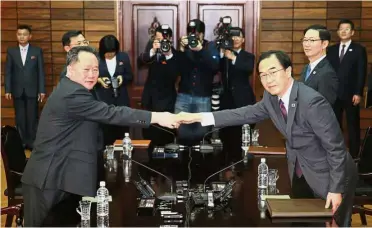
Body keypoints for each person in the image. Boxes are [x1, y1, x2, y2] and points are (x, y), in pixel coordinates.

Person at [177, 50, 357, 227]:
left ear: (287, 71)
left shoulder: (311, 102)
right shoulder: (271, 99)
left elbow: (336, 149)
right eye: (263, 75)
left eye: (273, 72)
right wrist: (200, 117)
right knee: (303, 223)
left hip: (332, 174)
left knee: (333, 224)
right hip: (302, 170)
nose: (268, 80)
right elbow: (244, 114)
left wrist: (336, 189)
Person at [21, 46, 178, 227]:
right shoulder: (72, 94)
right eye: (86, 70)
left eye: (95, 70)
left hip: (61, 174)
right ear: (70, 70)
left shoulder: (74, 88)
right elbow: (112, 113)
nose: (92, 75)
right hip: (47, 179)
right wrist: (158, 117)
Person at [327, 19, 368, 158]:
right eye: (341, 29)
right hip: (334, 94)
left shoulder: (359, 50)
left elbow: (361, 72)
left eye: (347, 29)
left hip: (351, 94)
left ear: (352, 32)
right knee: (334, 126)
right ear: (338, 32)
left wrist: (358, 92)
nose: (343, 31)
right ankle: (337, 154)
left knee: (352, 126)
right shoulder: (330, 50)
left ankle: (355, 155)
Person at [175, 19, 220, 144]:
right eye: (191, 33)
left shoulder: (210, 46)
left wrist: (200, 50)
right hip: (183, 96)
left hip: (203, 97)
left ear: (202, 34)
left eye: (197, 33)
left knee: (202, 133)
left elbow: (215, 66)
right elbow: (177, 69)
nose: (194, 36)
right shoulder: (185, 47)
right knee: (181, 131)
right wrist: (181, 50)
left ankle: (200, 161)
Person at [138, 25, 179, 153]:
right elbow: (140, 62)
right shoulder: (152, 49)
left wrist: (168, 55)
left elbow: (174, 74)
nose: (161, 42)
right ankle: (151, 166)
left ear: (170, 39)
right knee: (150, 136)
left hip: (167, 100)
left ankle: (167, 168)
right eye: (158, 39)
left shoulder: (175, 54)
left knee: (166, 136)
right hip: (150, 99)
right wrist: (152, 51)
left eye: (163, 39)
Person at [5, 24, 46, 149]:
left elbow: (40, 72)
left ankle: (32, 142)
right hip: (17, 90)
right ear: (16, 36)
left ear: (30, 36)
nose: (22, 37)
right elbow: (8, 72)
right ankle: (21, 142)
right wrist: (8, 89)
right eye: (19, 34)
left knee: (32, 117)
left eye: (24, 34)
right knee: (20, 117)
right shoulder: (11, 51)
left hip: (32, 90)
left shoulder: (36, 51)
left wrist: (42, 90)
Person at [218, 27, 256, 161]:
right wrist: (223, 53)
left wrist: (233, 57)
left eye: (238, 36)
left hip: (243, 100)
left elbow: (248, 68)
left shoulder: (248, 56)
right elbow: (214, 67)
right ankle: (227, 166)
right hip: (226, 101)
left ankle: (241, 167)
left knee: (242, 136)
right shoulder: (223, 55)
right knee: (226, 135)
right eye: (232, 36)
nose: (235, 39)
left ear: (243, 39)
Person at [95, 35, 133, 145]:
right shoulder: (96, 58)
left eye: (113, 52)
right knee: (106, 134)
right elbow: (88, 78)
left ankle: (124, 158)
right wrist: (99, 80)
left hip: (121, 101)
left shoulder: (123, 57)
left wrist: (122, 78)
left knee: (122, 132)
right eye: (108, 53)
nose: (111, 55)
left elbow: (130, 76)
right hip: (103, 101)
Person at [300, 24, 338, 107]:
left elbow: (324, 107)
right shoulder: (306, 68)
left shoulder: (327, 73)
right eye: (305, 40)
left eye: (312, 40)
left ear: (324, 44)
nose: (306, 44)